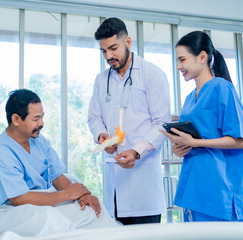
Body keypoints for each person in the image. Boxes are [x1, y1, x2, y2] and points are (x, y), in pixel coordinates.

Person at [160, 31, 243, 222]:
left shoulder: (221, 88)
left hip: (217, 192)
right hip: (193, 188)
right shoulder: (188, 98)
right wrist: (182, 147)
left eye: (182, 60)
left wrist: (196, 142)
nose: (179, 66)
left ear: (202, 57)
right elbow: (196, 140)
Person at [88, 17, 171, 225]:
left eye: (113, 48)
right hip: (114, 183)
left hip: (144, 187)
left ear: (128, 42)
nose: (109, 56)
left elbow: (162, 123)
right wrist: (102, 136)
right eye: (104, 51)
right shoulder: (101, 80)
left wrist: (136, 151)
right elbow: (94, 117)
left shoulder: (152, 75)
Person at [0, 89, 101, 217]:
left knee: (89, 211)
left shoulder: (39, 141)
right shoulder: (0, 153)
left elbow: (57, 177)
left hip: (39, 205)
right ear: (16, 119)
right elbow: (20, 199)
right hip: (5, 212)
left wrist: (83, 195)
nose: (41, 123)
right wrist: (67, 194)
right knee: (51, 220)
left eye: (42, 117)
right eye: (36, 118)